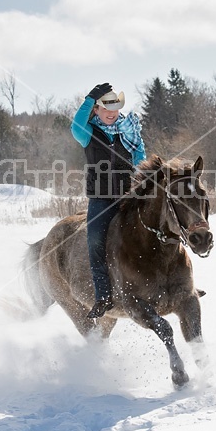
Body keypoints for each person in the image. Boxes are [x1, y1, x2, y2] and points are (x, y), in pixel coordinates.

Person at [71, 83, 146, 319]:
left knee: (159, 225)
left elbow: (141, 158)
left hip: (128, 197)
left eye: (115, 107)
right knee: (95, 242)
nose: (112, 112)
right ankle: (103, 295)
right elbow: (75, 125)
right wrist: (90, 98)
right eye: (106, 107)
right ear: (97, 110)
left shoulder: (130, 130)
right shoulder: (88, 133)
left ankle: (178, 284)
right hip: (101, 199)